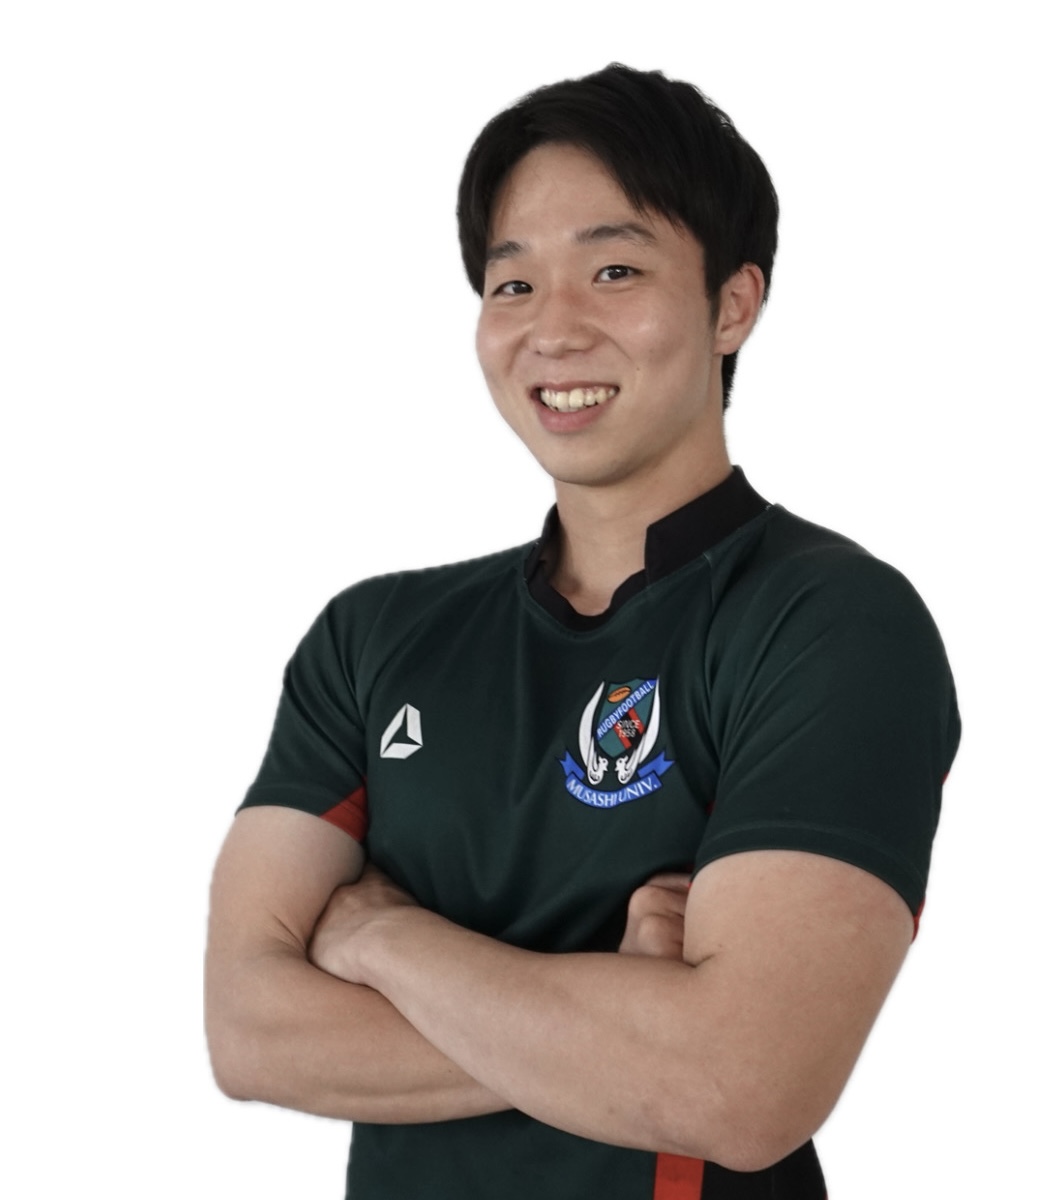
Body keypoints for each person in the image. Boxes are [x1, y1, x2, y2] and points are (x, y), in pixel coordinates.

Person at [205, 63, 961, 1200]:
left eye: (614, 271)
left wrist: (378, 941)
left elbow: (741, 1087)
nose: (552, 330)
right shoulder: (373, 637)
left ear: (733, 304)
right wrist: (621, 1018)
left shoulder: (828, 622)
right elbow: (249, 1033)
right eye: (512, 284)